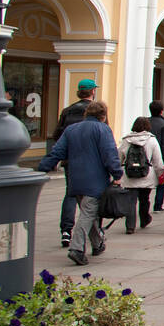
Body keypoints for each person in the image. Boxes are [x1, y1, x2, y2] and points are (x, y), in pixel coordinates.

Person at [36, 100, 122, 266]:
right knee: (88, 214)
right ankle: (76, 249)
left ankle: (97, 244)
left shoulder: (71, 129)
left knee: (88, 212)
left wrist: (43, 167)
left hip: (75, 179)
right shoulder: (103, 129)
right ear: (103, 115)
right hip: (95, 180)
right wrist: (117, 174)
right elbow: (109, 154)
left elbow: (58, 152)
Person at [51, 78, 96, 248]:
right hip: (90, 161)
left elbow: (57, 134)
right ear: (92, 91)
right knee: (91, 197)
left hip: (70, 160)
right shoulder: (96, 111)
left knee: (70, 193)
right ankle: (92, 234)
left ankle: (66, 231)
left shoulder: (67, 111)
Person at [118, 115, 164, 234]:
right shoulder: (152, 140)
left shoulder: (126, 140)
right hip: (146, 175)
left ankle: (130, 226)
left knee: (131, 201)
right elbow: (157, 161)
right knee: (145, 199)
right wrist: (161, 175)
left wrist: (117, 174)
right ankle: (144, 219)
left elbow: (119, 158)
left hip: (129, 176)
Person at [148, 100, 164, 213]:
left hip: (146, 156)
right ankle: (158, 205)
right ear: (162, 111)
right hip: (159, 156)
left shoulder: (145, 122)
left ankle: (145, 203)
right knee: (161, 181)